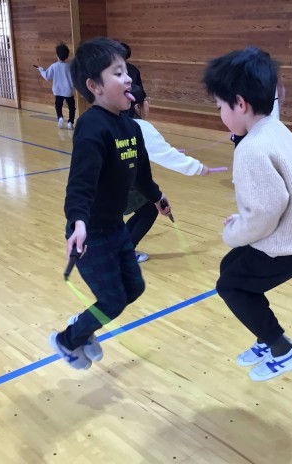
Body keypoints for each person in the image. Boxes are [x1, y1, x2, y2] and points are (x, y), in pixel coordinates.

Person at [203, 47, 292, 381]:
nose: (220, 114)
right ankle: (265, 336)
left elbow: (264, 213)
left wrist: (234, 232)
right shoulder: (275, 130)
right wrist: (243, 220)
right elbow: (273, 200)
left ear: (240, 103)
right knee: (231, 268)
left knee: (230, 286)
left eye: (220, 106)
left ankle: (283, 348)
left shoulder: (252, 149)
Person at [49, 37, 172, 369]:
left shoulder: (131, 128)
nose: (128, 78)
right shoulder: (92, 127)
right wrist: (77, 222)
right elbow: (80, 184)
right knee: (113, 300)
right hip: (90, 235)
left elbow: (141, 176)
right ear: (95, 86)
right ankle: (67, 340)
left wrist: (157, 198)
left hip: (115, 228)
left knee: (134, 287)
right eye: (118, 73)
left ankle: (84, 325)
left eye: (126, 71)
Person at [125, 84, 221, 262]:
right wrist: (198, 167)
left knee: (145, 207)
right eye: (147, 101)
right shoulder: (140, 127)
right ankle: (125, 253)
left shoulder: (114, 121)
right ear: (137, 106)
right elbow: (166, 155)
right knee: (149, 208)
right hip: (121, 186)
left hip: (101, 186)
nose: (148, 104)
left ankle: (119, 249)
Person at [37, 43, 76, 129]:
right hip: (68, 91)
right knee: (72, 107)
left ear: (57, 55)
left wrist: (41, 71)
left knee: (58, 106)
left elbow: (47, 77)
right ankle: (70, 122)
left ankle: (60, 118)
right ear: (66, 55)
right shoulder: (70, 67)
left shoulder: (54, 66)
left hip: (57, 91)